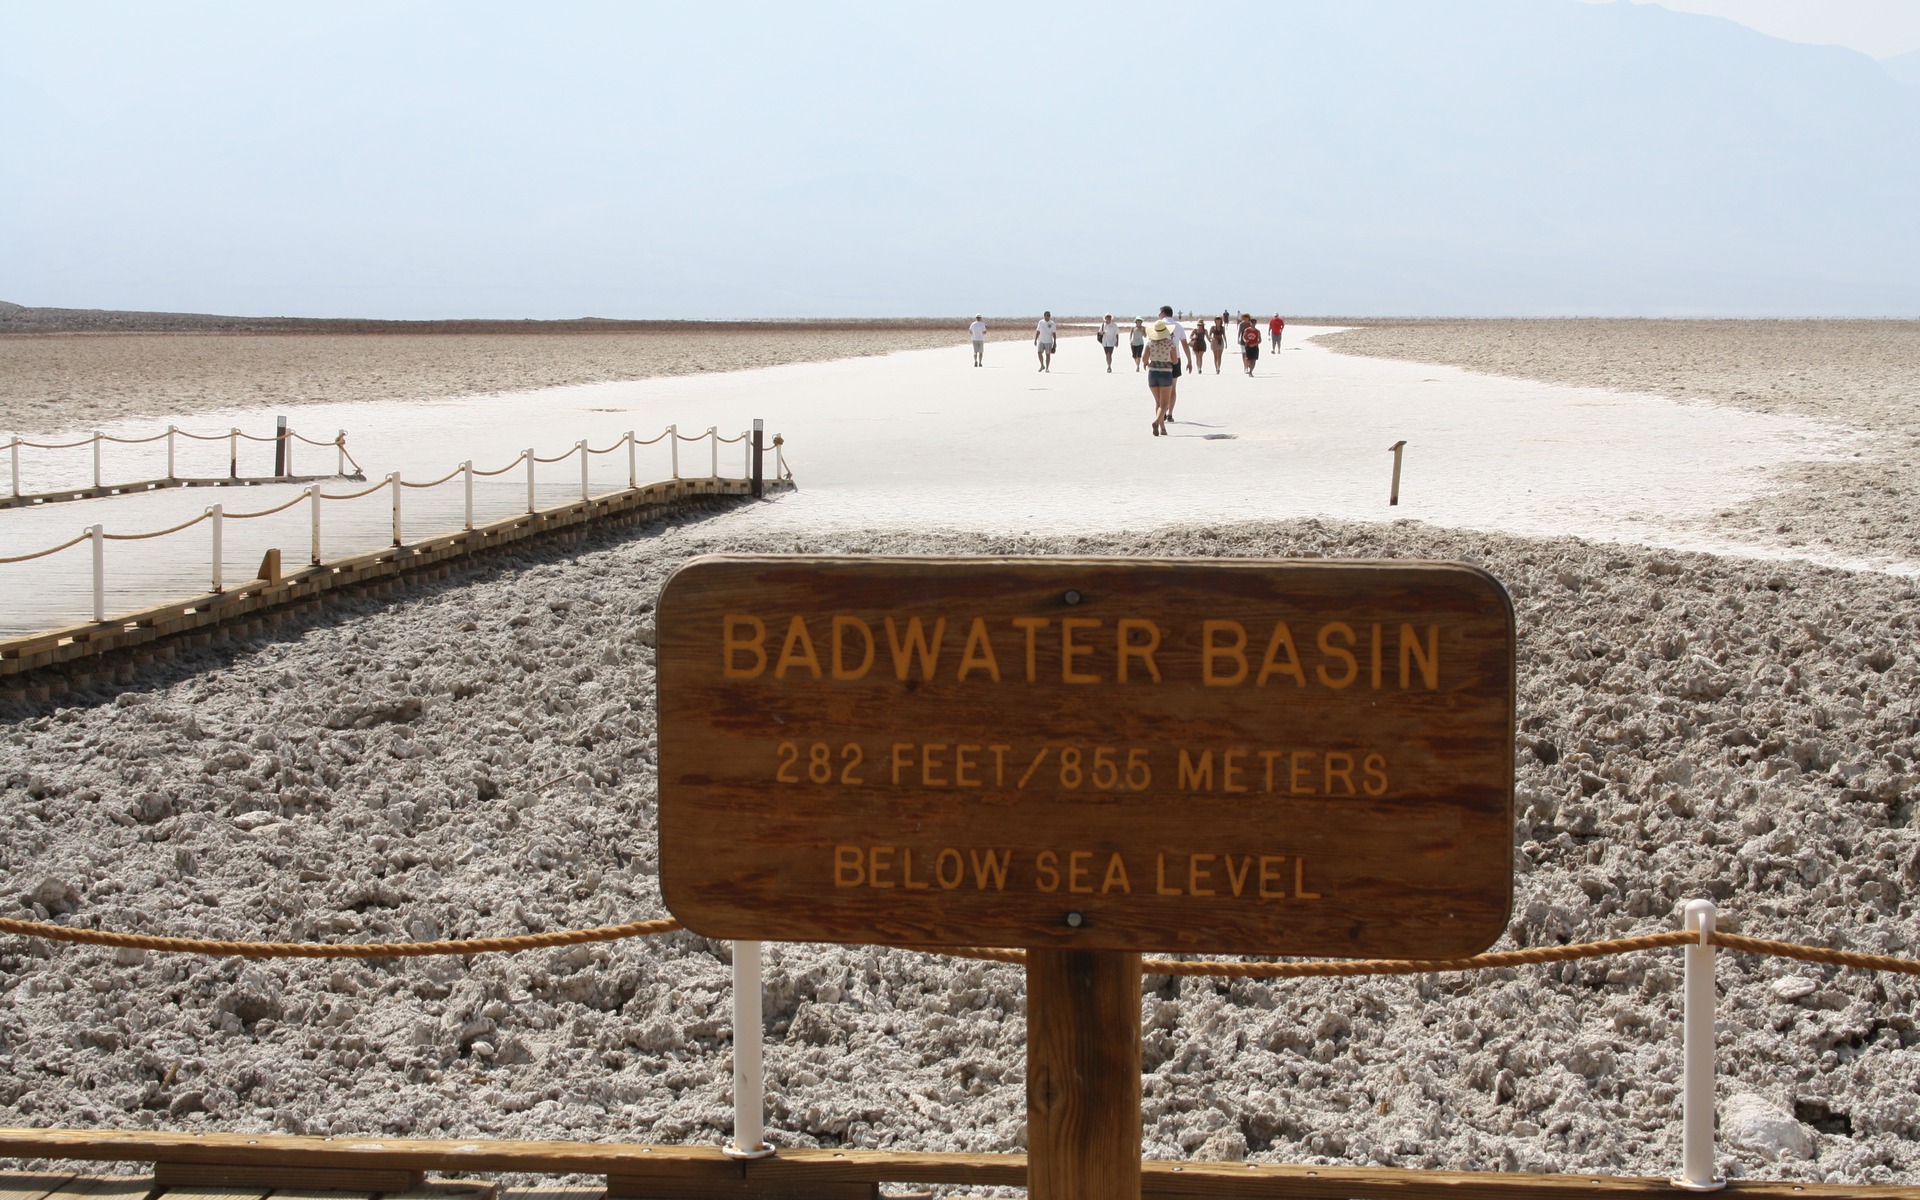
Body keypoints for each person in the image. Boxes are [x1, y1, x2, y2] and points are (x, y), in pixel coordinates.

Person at [1144, 319, 1179, 435]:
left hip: (1152, 373)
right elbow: (1174, 361)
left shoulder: (1150, 343)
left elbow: (1144, 359)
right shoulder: (1170, 343)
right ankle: (1156, 422)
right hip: (1165, 373)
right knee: (1165, 404)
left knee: (1158, 403)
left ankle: (1162, 429)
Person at [1156, 305, 1186, 420]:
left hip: (1161, 359)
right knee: (1173, 388)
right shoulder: (1178, 326)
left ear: (1163, 313)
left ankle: (1161, 412)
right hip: (1176, 359)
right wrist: (1189, 359)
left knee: (1161, 388)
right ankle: (1170, 414)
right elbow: (1184, 344)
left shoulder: (1158, 325)